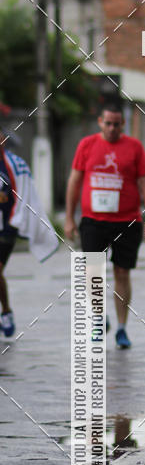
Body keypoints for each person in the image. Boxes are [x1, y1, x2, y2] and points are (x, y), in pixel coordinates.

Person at [64, 103, 145, 348]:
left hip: (127, 221)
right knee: (93, 273)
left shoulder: (134, 147)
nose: (112, 128)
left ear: (122, 124)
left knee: (122, 273)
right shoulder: (87, 145)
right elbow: (74, 181)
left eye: (117, 124)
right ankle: (98, 319)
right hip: (93, 220)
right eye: (108, 123)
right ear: (100, 122)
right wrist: (69, 218)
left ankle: (122, 328)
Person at [0, 129, 59, 337]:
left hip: (7, 226)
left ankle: (6, 311)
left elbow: (24, 198)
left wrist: (13, 224)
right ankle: (5, 310)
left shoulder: (16, 166)